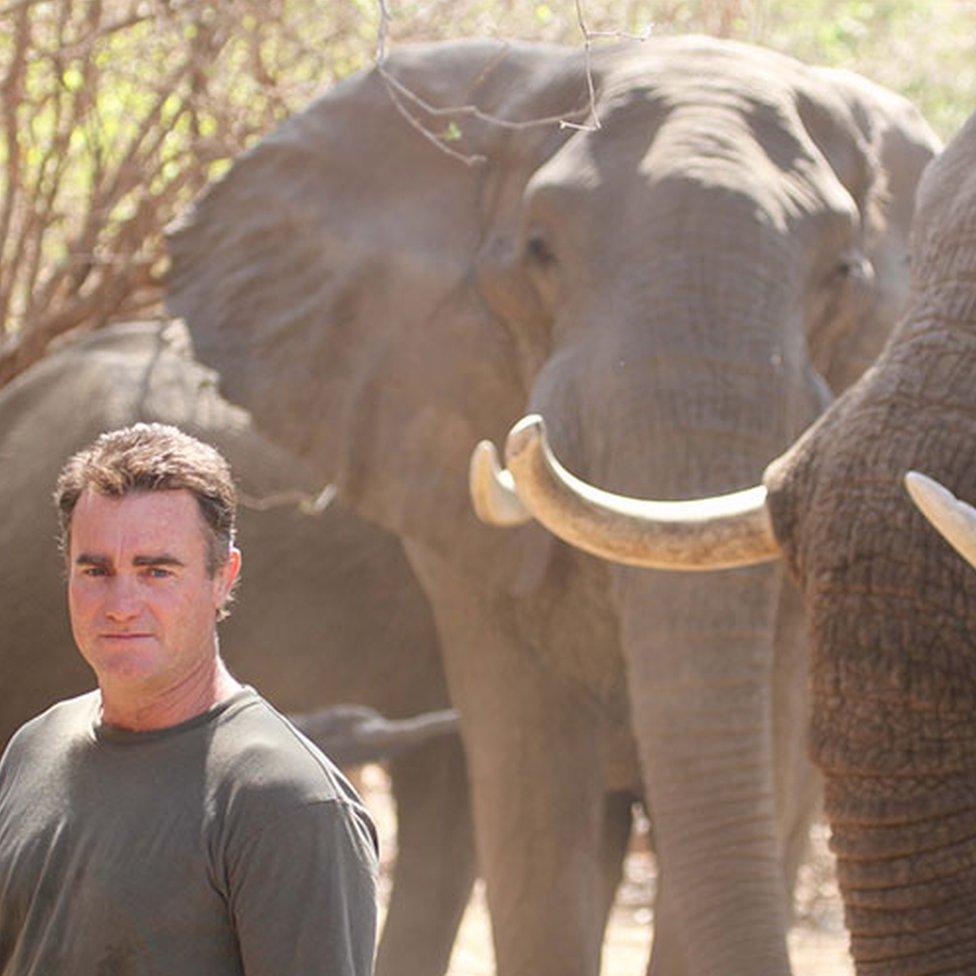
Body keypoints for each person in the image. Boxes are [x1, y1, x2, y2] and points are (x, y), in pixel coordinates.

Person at [0, 423, 378, 975]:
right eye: (96, 570)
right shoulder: (34, 749)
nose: (121, 604)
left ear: (223, 578)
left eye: (157, 571)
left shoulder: (290, 808)